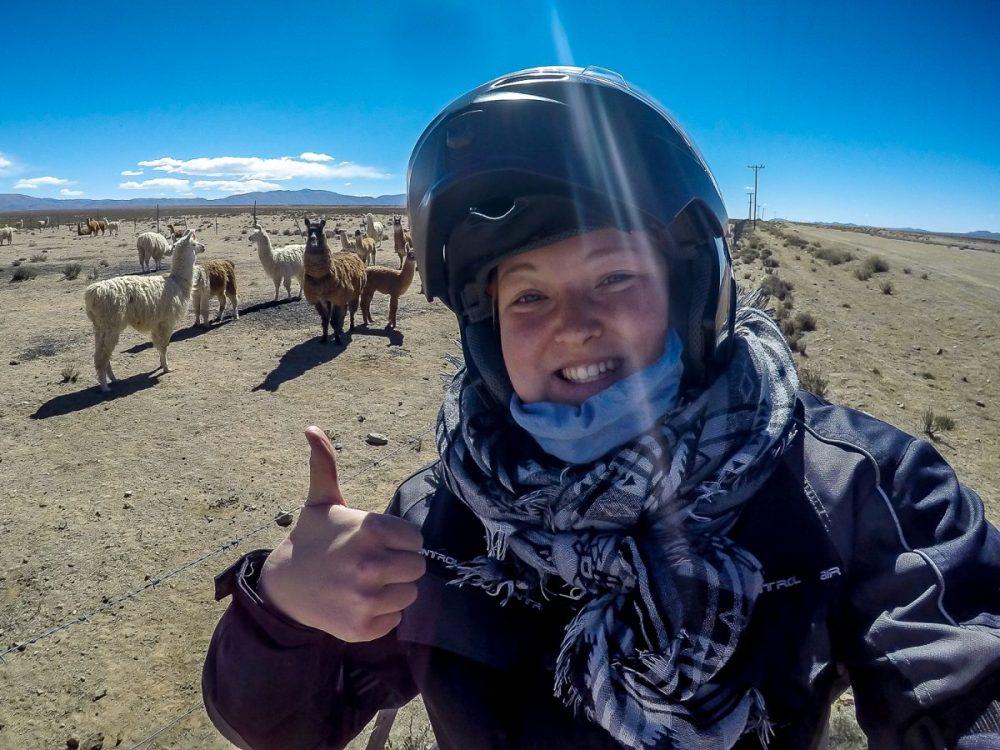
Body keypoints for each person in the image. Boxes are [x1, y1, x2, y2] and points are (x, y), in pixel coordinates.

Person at [202, 67, 1000, 749]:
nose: (573, 325)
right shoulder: (439, 523)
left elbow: (965, 679)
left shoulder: (854, 490)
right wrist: (283, 615)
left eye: (615, 277)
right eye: (529, 294)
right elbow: (283, 727)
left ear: (694, 294)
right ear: (484, 335)